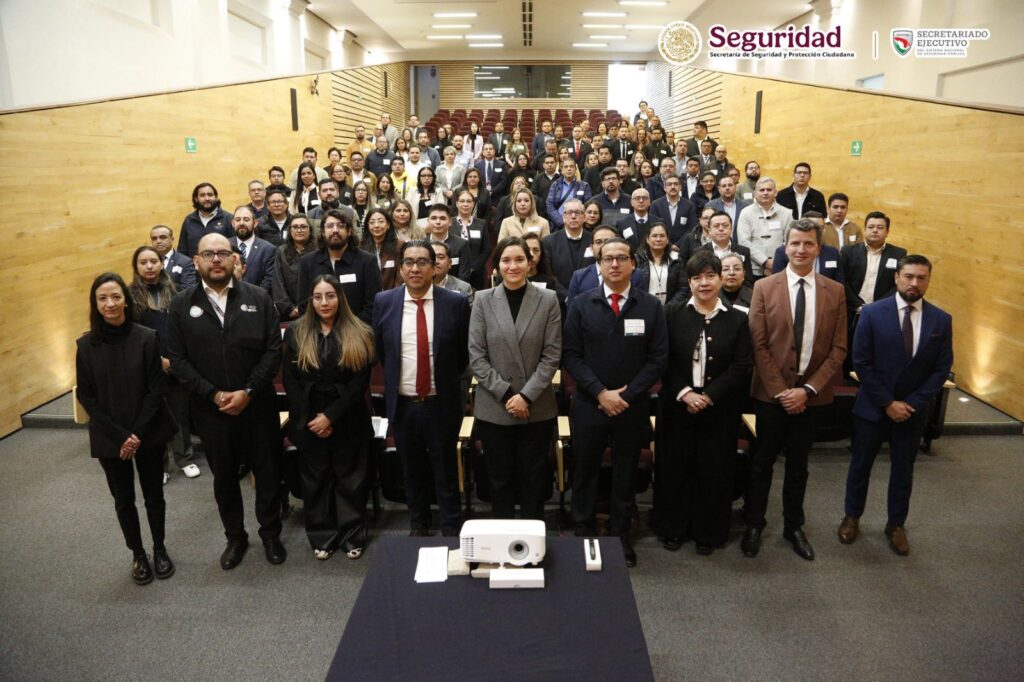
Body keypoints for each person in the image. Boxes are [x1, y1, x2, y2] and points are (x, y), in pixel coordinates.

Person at [166, 234, 285, 569]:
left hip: (257, 404)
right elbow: (178, 360)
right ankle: (235, 537)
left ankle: (271, 534)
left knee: (267, 472)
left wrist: (248, 391)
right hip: (211, 411)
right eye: (208, 254)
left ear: (234, 259)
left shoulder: (259, 298)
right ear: (196, 261)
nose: (216, 259)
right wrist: (213, 394)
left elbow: (272, 350)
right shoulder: (180, 304)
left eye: (222, 253)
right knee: (224, 478)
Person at [742, 219, 848, 561]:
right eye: (795, 243)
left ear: (819, 249)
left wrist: (808, 390)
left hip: (811, 397)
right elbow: (758, 345)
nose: (801, 250)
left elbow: (839, 349)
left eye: (808, 244)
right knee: (762, 463)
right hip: (770, 396)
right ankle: (754, 523)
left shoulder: (835, 291)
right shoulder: (764, 287)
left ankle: (793, 526)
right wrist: (782, 391)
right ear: (785, 247)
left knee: (799, 466)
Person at [563, 237, 668, 567]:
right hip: (589, 403)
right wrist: (600, 393)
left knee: (625, 473)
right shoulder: (581, 304)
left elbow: (658, 359)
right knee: (585, 470)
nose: (615, 264)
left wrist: (626, 395)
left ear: (633, 264)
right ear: (599, 264)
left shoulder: (650, 306)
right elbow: (571, 355)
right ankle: (583, 530)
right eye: (607, 258)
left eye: (622, 258)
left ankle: (621, 535)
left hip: (631, 406)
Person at [839, 255, 954, 556]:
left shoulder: (941, 320)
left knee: (904, 470)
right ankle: (852, 517)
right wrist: (888, 402)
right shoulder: (872, 313)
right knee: (860, 465)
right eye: (909, 276)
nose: (914, 283)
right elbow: (861, 362)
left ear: (928, 280)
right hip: (873, 408)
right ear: (896, 278)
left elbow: (941, 369)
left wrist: (911, 403)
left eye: (921, 278)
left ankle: (896, 525)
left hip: (912, 412)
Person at [77, 272, 177, 585]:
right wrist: (123, 436)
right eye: (102, 298)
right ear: (95, 304)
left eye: (115, 296)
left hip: (148, 430)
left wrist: (136, 434)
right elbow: (86, 396)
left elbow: (156, 389)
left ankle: (159, 549)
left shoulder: (146, 337)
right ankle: (138, 554)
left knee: (154, 496)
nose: (110, 303)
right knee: (123, 500)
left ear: (126, 300)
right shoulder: (85, 345)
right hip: (111, 436)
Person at [372, 240, 472, 536]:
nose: (415, 268)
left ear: (434, 267)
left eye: (422, 262)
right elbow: (383, 351)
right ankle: (419, 525)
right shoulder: (384, 302)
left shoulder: (454, 303)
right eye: (409, 262)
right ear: (401, 269)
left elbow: (462, 355)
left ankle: (451, 527)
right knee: (411, 469)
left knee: (446, 470)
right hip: (404, 403)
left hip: (441, 402)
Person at [655, 252, 753, 554]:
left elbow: (741, 365)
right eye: (697, 277)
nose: (704, 283)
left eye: (711, 276)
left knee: (713, 471)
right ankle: (673, 528)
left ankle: (707, 533)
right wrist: (685, 392)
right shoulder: (671, 314)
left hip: (718, 408)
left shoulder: (737, 318)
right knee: (675, 468)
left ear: (721, 279)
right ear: (689, 282)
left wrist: (709, 395)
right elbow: (661, 359)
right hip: (677, 405)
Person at [282, 275, 375, 561]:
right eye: (318, 297)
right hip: (308, 416)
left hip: (348, 414)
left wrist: (330, 417)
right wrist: (314, 419)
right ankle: (322, 535)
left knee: (351, 478)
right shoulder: (296, 332)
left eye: (330, 296)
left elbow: (359, 384)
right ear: (311, 300)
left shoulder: (361, 331)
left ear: (340, 298)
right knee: (316, 479)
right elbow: (291, 380)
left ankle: (351, 534)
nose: (324, 302)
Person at [469, 237, 561, 521]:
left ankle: (532, 541)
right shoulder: (483, 300)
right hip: (495, 406)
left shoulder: (548, 299)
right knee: (500, 481)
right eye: (506, 260)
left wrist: (525, 396)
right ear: (496, 265)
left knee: (534, 481)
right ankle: (503, 541)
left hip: (536, 406)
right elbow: (476, 356)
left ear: (530, 263)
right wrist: (510, 396)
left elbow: (552, 355)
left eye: (519, 259)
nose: (513, 266)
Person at [129, 246, 200, 483]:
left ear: (162, 264)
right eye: (143, 262)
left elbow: (186, 329)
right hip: (146, 365)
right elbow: (131, 335)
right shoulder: (129, 296)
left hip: (176, 363)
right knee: (154, 417)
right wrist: (156, 360)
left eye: (154, 261)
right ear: (136, 267)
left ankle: (185, 459)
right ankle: (161, 466)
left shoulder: (178, 292)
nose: (149, 266)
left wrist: (175, 360)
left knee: (180, 414)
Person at [297, 210, 381, 323]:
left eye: (341, 226)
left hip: (357, 330)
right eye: (330, 226)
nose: (335, 230)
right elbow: (304, 306)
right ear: (322, 232)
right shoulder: (307, 262)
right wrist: (323, 329)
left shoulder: (367, 261)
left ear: (349, 231)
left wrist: (351, 328)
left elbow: (372, 305)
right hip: (318, 330)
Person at [841, 211, 907, 321]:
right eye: (871, 227)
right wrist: (858, 305)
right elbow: (842, 281)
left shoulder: (898, 254)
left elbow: (898, 284)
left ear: (887, 232)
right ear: (865, 230)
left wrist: (876, 307)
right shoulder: (848, 252)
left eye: (880, 227)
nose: (875, 230)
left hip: (883, 311)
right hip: (852, 310)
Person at [736, 177, 794, 278]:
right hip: (754, 269)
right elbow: (743, 241)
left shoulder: (787, 213)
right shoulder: (746, 213)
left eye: (769, 190)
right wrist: (765, 261)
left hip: (781, 266)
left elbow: (790, 240)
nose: (765, 193)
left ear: (775, 192)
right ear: (755, 193)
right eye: (762, 190)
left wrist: (776, 261)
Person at [272, 213, 318, 321]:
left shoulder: (319, 251)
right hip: (290, 313)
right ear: (290, 230)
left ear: (310, 230)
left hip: (315, 310)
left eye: (303, 227)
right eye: (295, 227)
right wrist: (289, 309)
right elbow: (278, 283)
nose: (299, 230)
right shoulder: (281, 251)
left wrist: (310, 308)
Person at [542, 198, 593, 291]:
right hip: (560, 296)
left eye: (577, 213)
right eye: (569, 213)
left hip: (589, 295)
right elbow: (548, 274)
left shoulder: (593, 240)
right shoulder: (549, 242)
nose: (573, 216)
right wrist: (565, 296)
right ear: (563, 217)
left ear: (584, 217)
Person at [178, 182, 233, 258]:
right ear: (196, 199)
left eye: (210, 195)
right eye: (202, 195)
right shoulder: (189, 220)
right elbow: (182, 251)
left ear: (216, 197)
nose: (207, 198)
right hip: (194, 265)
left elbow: (234, 248)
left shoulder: (228, 218)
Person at [229, 205, 275, 294]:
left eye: (246, 220)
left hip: (258, 298)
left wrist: (254, 297)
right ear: (233, 223)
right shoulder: (224, 246)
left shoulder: (268, 249)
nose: (241, 223)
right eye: (238, 220)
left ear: (255, 223)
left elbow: (269, 280)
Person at [452, 189, 491, 290]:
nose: (465, 204)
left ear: (473, 204)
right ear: (456, 203)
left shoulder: (481, 224)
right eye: (462, 201)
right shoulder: (449, 223)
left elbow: (486, 249)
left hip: (476, 273)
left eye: (469, 201)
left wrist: (473, 267)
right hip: (453, 271)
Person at [361, 207, 404, 290]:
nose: (376, 225)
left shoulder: (399, 245)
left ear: (388, 225)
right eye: (372, 222)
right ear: (367, 226)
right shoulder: (361, 246)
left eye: (381, 221)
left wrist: (393, 295)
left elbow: (400, 276)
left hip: (392, 294)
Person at [635, 222, 676, 304]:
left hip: (671, 308)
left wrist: (669, 307)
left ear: (667, 239)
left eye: (662, 236)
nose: (658, 239)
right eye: (654, 236)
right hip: (644, 305)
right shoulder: (637, 259)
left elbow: (682, 288)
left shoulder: (676, 259)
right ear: (647, 239)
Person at [546, 157, 593, 230]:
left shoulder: (584, 186)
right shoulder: (555, 185)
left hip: (578, 225)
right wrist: (561, 222)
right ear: (562, 170)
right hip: (558, 226)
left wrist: (578, 221)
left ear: (575, 169)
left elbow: (588, 206)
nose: (569, 169)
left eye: (571, 166)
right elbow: (549, 205)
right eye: (566, 167)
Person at [650, 174, 698, 244]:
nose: (673, 187)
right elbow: (653, 226)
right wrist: (669, 245)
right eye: (669, 184)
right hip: (662, 244)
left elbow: (691, 228)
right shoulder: (656, 205)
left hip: (684, 246)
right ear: (664, 187)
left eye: (676, 184)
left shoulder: (689, 205)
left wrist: (678, 245)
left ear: (680, 187)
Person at [150, 225, 196, 289]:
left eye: (163, 237)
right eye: (154, 238)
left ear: (172, 239)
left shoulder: (185, 262)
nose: (158, 241)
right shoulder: (147, 262)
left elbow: (189, 289)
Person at [706, 175, 751, 241]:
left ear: (735, 187)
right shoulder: (710, 206)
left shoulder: (745, 206)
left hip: (740, 244)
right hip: (718, 243)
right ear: (719, 189)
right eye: (724, 186)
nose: (727, 188)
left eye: (730, 185)